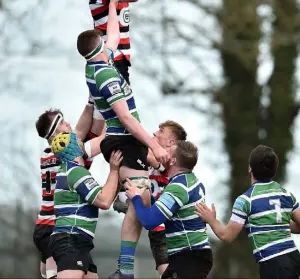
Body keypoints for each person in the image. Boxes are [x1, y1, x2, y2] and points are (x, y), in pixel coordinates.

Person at [77, 0, 169, 279]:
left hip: (125, 140)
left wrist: (114, 5)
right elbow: (126, 119)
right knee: (141, 196)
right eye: (105, 43)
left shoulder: (97, 61)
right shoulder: (105, 75)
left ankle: (120, 192)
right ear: (100, 49)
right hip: (122, 138)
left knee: (153, 179)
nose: (110, 43)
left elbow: (114, 36)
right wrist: (153, 144)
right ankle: (125, 270)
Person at [195, 145, 300, 279]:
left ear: (250, 168)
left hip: (273, 261)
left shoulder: (246, 200)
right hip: (294, 258)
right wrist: (278, 225)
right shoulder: (286, 194)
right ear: (274, 169)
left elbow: (227, 235)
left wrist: (211, 220)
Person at [125, 141, 213, 279]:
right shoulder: (190, 180)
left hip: (189, 257)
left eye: (168, 150)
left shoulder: (178, 187)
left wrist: (136, 198)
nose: (162, 151)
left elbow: (149, 221)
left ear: (173, 160)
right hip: (192, 255)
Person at [33, 102, 99, 279]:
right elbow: (93, 136)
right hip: (54, 227)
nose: (69, 124)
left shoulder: (48, 155)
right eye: (62, 121)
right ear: (56, 132)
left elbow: (79, 131)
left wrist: (91, 103)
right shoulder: (66, 157)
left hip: (45, 226)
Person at [113, 120, 188, 276]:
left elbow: (159, 160)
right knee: (166, 272)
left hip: (174, 229)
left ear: (171, 142)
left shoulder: (174, 160)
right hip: (157, 229)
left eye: (160, 131)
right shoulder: (147, 159)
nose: (154, 133)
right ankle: (124, 267)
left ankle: (125, 268)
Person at [49, 131, 123, 279]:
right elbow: (104, 201)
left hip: (79, 241)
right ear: (73, 147)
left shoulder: (69, 170)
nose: (83, 142)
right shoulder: (76, 172)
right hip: (70, 239)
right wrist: (114, 170)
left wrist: (118, 181)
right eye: (78, 140)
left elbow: (102, 198)